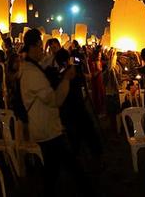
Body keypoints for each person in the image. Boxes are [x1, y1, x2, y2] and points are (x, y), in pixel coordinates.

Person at [20, 28, 92, 196]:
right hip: (47, 128)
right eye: (41, 47)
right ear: (36, 45)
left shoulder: (30, 67)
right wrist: (66, 79)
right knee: (69, 165)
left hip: (43, 126)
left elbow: (46, 64)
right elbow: (54, 100)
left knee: (53, 170)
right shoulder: (32, 72)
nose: (43, 51)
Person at [53, 48, 102, 162]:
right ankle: (95, 156)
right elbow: (87, 78)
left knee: (74, 136)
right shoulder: (71, 72)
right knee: (88, 132)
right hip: (78, 108)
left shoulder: (58, 74)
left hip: (66, 111)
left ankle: (77, 156)